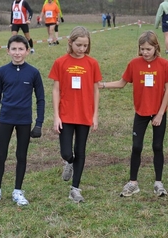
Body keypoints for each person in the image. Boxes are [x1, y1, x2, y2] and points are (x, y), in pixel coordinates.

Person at [100, 30, 168, 197]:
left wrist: (161, 114)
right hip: (141, 112)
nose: (145, 52)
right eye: (142, 49)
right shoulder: (134, 64)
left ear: (156, 47)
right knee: (136, 147)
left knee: (157, 146)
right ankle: (133, 182)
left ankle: (158, 183)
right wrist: (102, 85)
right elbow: (121, 83)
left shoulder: (164, 65)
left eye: (148, 49)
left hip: (158, 113)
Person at [0, 35, 45, 206]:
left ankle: (18, 191)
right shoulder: (1, 72)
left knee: (21, 155)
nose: (17, 53)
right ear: (8, 51)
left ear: (27, 51)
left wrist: (39, 123)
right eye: (14, 49)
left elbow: (40, 99)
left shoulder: (33, 73)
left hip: (24, 121)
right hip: (5, 120)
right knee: (1, 155)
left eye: (20, 49)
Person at [49, 26, 102, 203]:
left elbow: (96, 91)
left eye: (85, 45)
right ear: (70, 43)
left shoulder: (92, 63)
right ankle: (69, 162)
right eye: (78, 45)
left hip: (84, 114)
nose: (81, 49)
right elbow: (56, 90)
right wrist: (56, 116)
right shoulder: (60, 62)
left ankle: (75, 189)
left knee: (81, 149)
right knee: (66, 152)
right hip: (65, 114)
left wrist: (95, 115)